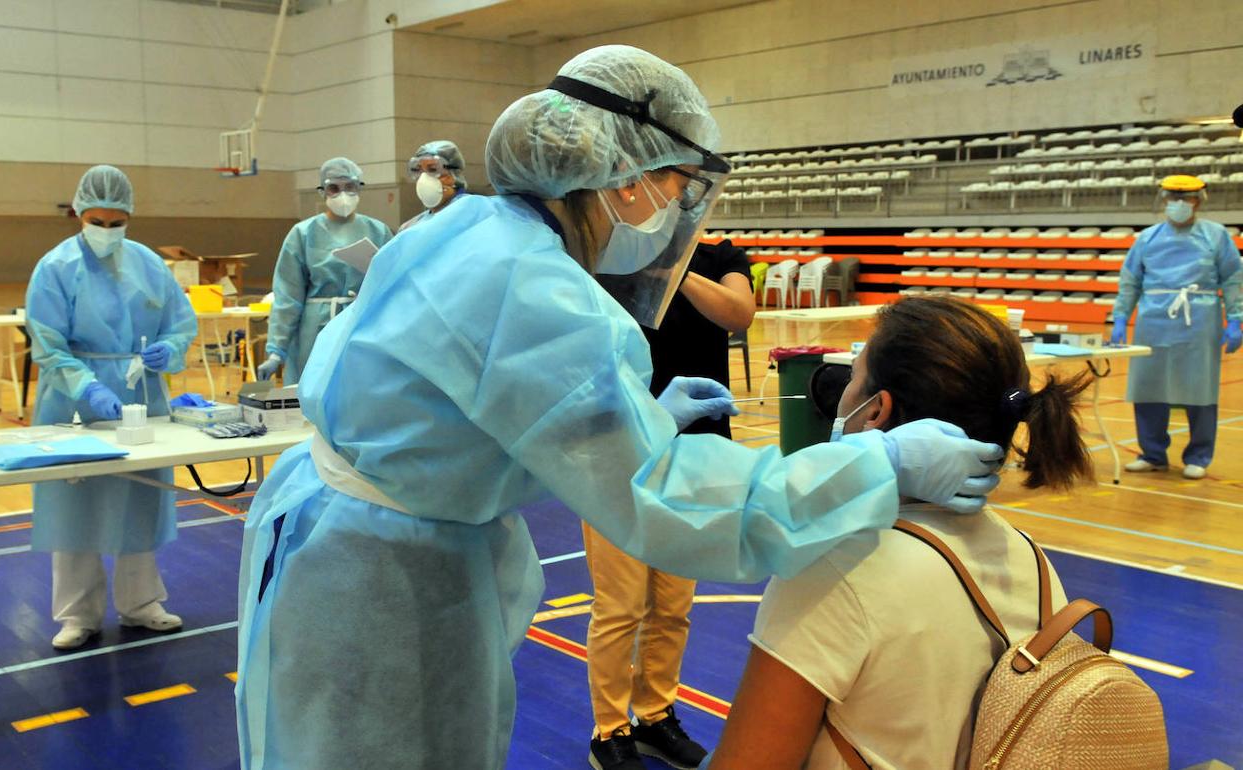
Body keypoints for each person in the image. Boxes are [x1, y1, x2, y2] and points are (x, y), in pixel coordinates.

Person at [234, 46, 1003, 770]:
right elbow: (668, 504)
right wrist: (878, 464)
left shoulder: (467, 226)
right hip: (378, 586)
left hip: (334, 537)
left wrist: (638, 420)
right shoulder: (535, 288)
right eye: (677, 185)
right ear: (626, 177)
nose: (677, 208)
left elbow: (473, 421)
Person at [707, 297, 1094, 770]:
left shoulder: (833, 569)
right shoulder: (1029, 556)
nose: (842, 391)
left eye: (852, 377)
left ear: (875, 413)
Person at [584, 238, 755, 770]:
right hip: (619, 452)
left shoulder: (721, 257)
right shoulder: (603, 258)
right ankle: (609, 730)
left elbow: (738, 312)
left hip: (697, 454)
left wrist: (671, 268)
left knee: (674, 605)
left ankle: (656, 715)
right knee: (621, 604)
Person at [26, 165, 198, 650]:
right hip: (73, 399)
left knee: (137, 497)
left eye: (115, 221)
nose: (106, 230)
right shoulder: (56, 268)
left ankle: (142, 603)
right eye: (96, 221)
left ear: (130, 217)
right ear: (79, 213)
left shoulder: (148, 264)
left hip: (140, 393)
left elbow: (179, 324)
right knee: (74, 502)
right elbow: (49, 345)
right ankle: (76, 614)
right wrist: (87, 387)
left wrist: (170, 349)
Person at [1111, 175, 1242, 480]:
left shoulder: (1216, 236)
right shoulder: (1148, 238)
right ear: (1164, 200)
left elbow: (1234, 279)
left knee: (1200, 388)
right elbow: (1130, 280)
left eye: (1188, 198)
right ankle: (1152, 453)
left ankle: (1198, 455)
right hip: (1153, 320)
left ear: (1199, 201)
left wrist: (1236, 318)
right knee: (1148, 386)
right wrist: (1119, 318)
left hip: (1200, 318)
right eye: (1174, 198)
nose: (1180, 204)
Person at [258, 157, 394, 384]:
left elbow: (392, 287)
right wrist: (276, 351)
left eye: (350, 187)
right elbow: (287, 297)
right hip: (314, 331)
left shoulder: (378, 231)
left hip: (360, 326)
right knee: (314, 388)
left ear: (359, 188)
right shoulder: (303, 234)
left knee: (357, 390)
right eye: (334, 188)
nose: (343, 194)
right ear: (322, 191)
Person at [399, 140, 469, 231]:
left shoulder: (474, 217)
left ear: (454, 175)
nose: (423, 177)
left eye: (433, 169)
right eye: (418, 170)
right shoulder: (409, 229)